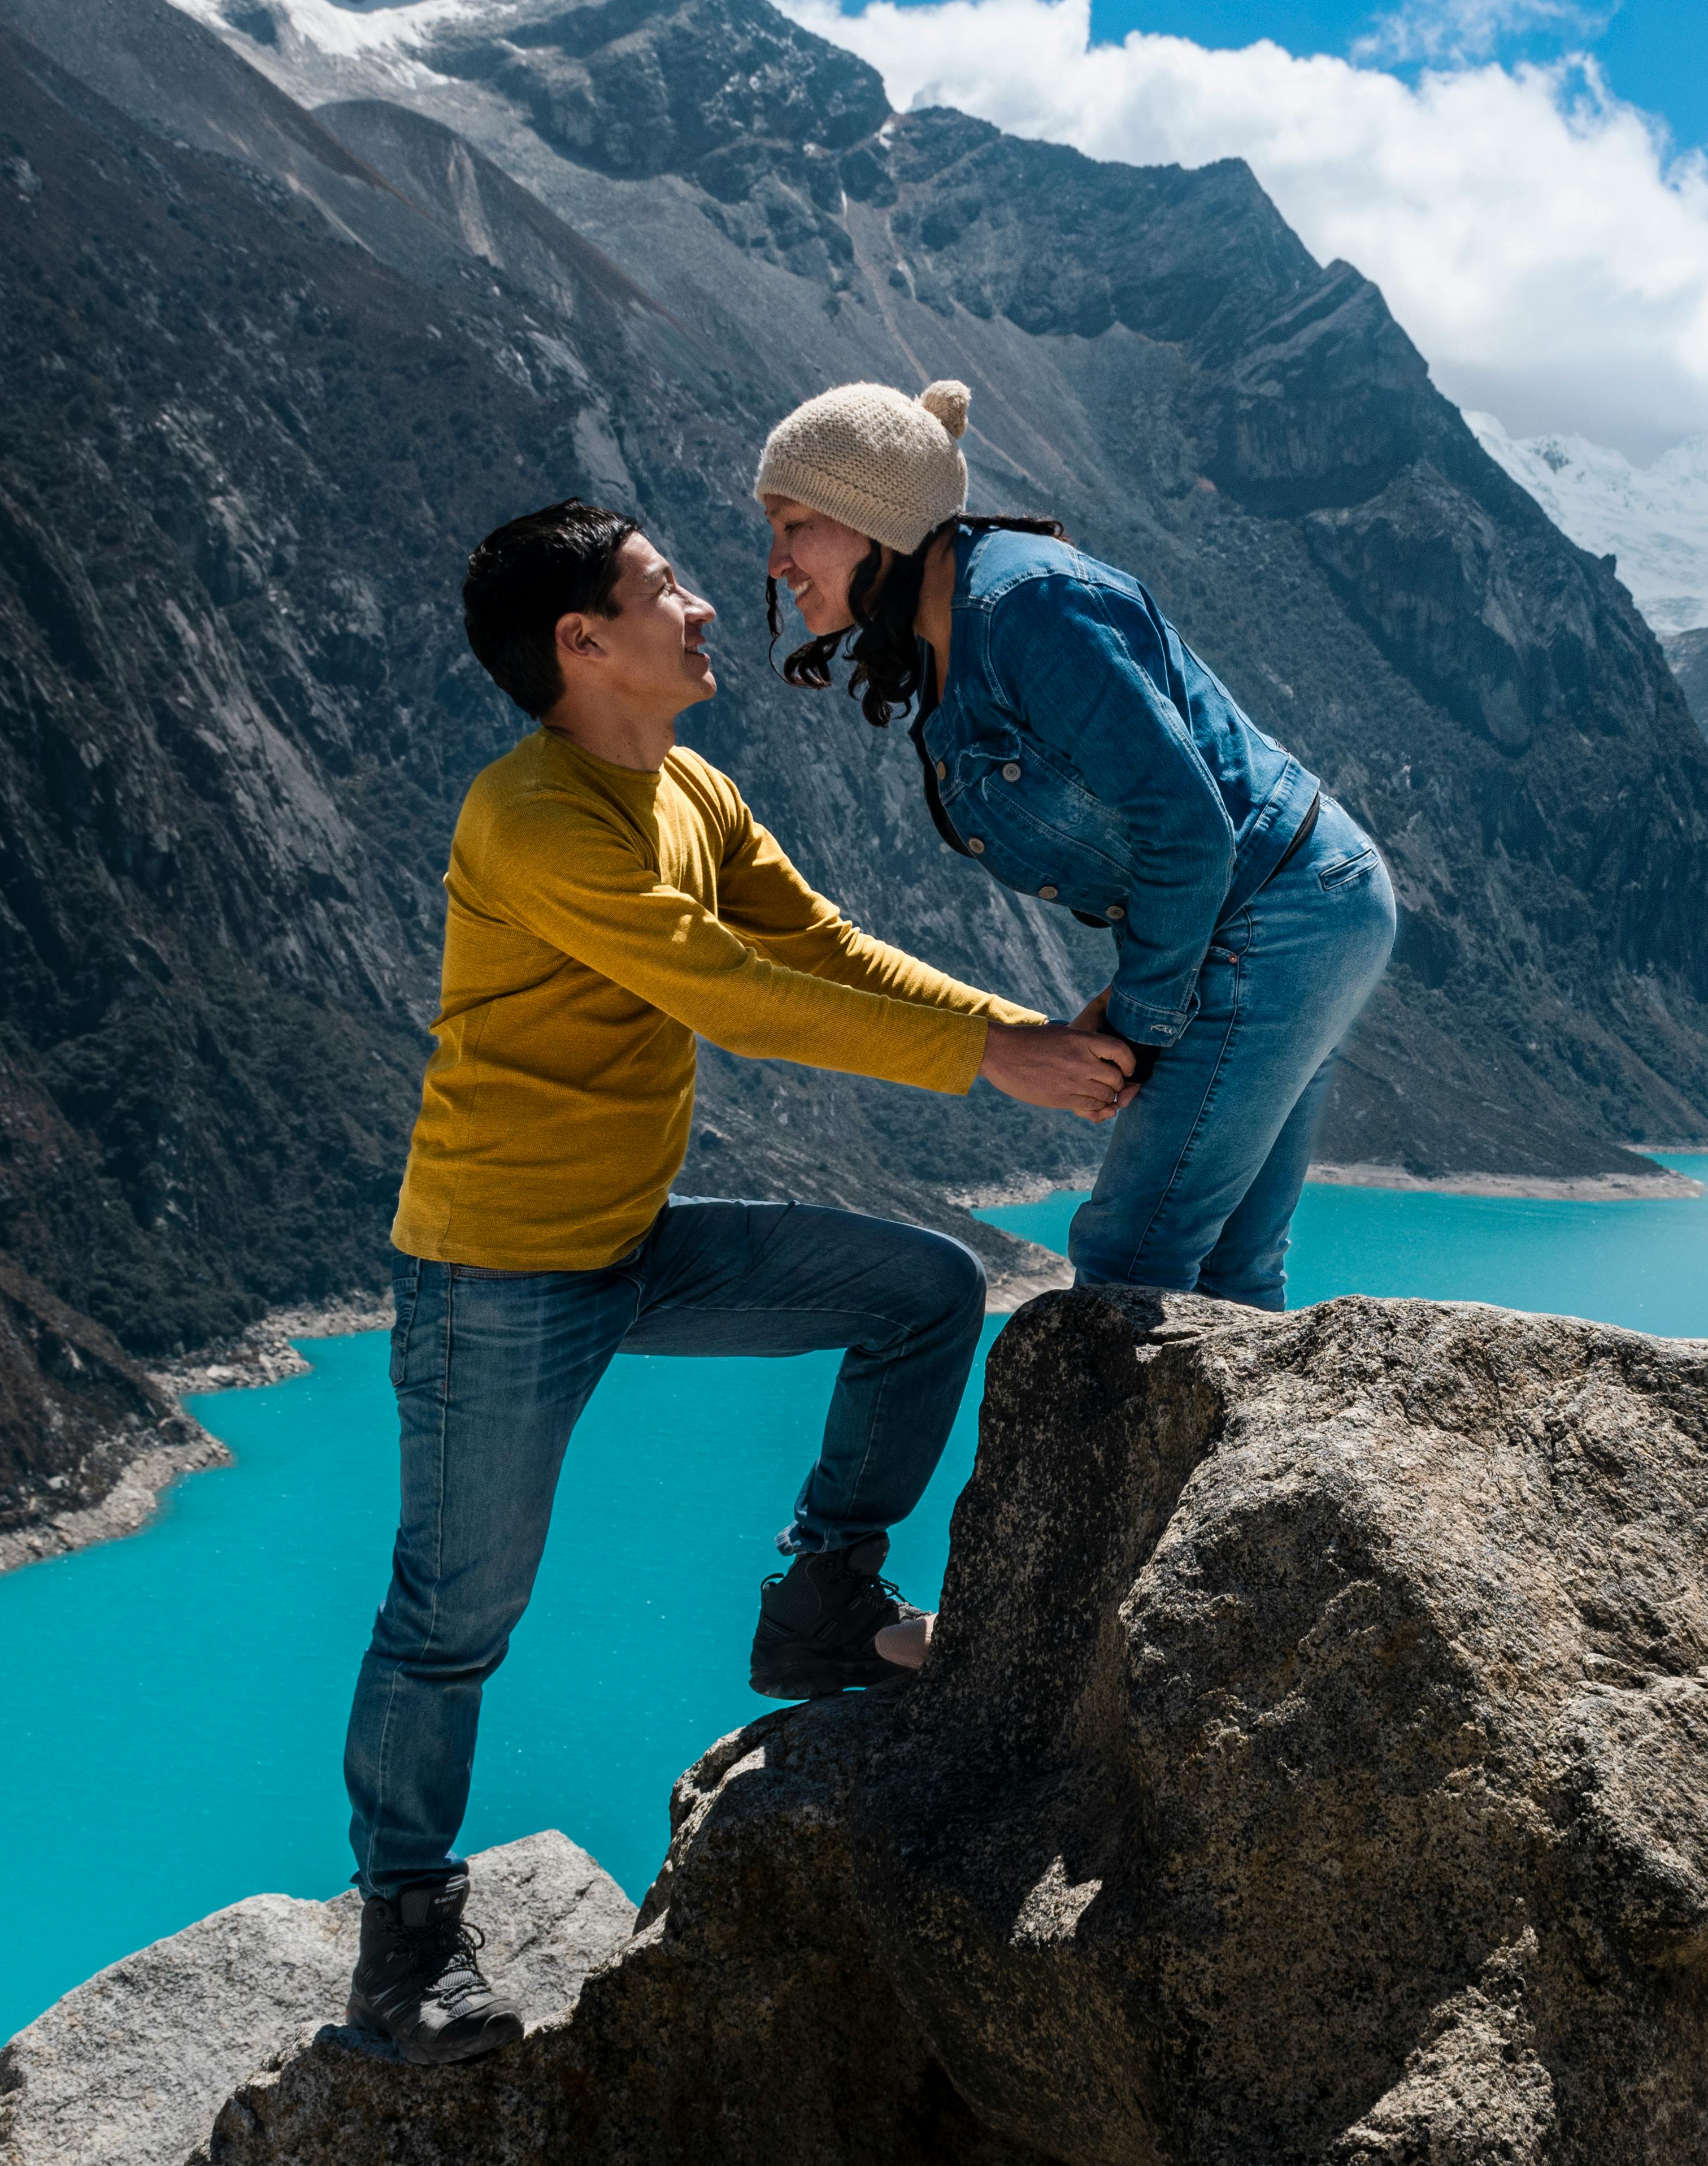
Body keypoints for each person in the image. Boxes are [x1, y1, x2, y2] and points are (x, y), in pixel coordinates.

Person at [340, 499, 1136, 2064]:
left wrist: (1027, 1033)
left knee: (922, 1290)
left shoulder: (688, 786)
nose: (708, 607)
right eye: (665, 590)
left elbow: (823, 949)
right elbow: (731, 995)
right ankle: (400, 1946)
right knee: (453, 1622)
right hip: (497, 1278)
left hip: (631, 1242)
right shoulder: (536, 822)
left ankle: (826, 1596)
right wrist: (999, 1062)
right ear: (584, 645)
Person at [758, 380, 1397, 1312]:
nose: (775, 561)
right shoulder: (954, 631)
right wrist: (1134, 994)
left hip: (1281, 914)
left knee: (1134, 1252)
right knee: (1226, 1268)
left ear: (874, 517)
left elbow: (1185, 826)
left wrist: (1140, 1026)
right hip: (1294, 905)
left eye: (792, 523)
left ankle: (1142, 1463)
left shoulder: (1028, 606)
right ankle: (1234, 1463)